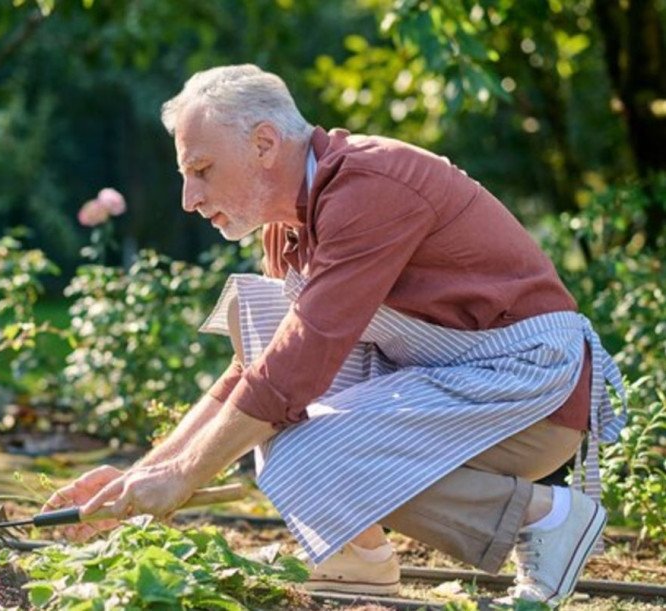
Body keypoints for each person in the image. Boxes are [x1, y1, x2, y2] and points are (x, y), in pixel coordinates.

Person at [43, 65, 626, 606]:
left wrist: (184, 477)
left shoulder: (370, 188)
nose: (189, 199)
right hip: (456, 383)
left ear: (264, 144)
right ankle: (359, 557)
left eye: (201, 170)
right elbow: (259, 370)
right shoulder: (291, 225)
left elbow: (293, 372)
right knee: (270, 390)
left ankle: (546, 517)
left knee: (300, 450)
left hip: (530, 394)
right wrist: (143, 475)